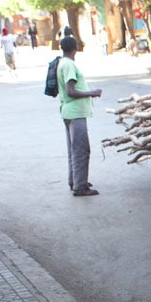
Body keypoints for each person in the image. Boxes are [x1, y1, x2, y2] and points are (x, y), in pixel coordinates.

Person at [57, 36, 102, 196]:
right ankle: (80, 187)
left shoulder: (62, 63)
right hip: (75, 112)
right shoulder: (69, 65)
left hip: (69, 111)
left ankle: (75, 180)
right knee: (81, 150)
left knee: (74, 150)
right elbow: (71, 91)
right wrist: (92, 93)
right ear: (75, 48)